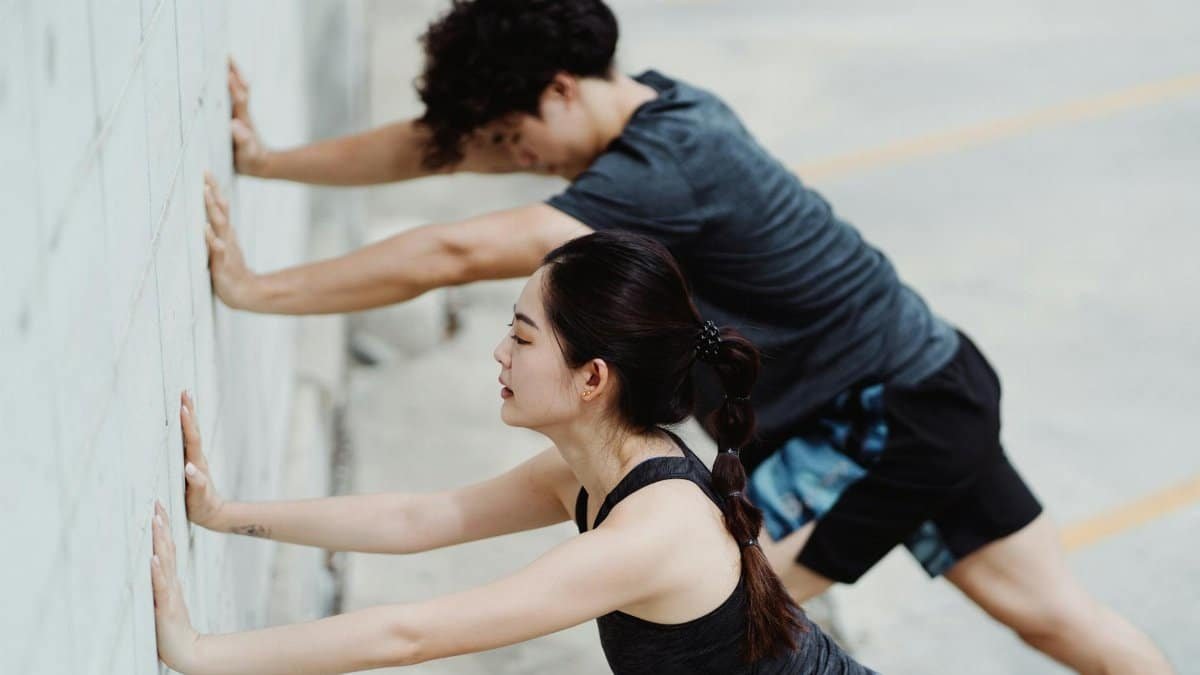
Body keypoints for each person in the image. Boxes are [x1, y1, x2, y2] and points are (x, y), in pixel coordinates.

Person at [200, 1, 1172, 672]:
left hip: (893, 417)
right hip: (922, 386)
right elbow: (433, 143)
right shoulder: (657, 111)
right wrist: (273, 163)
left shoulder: (668, 168)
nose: (505, 162)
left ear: (560, 91)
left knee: (725, 623)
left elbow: (458, 250)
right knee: (1059, 621)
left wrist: (251, 289)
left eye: (509, 139)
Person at [150, 232, 875, 674]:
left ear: (594, 377)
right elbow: (420, 518)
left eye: (523, 337)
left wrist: (199, 652)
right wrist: (226, 513)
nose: (500, 352)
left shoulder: (651, 531)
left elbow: (413, 635)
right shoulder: (601, 468)